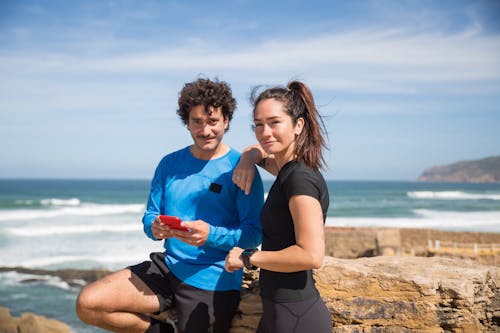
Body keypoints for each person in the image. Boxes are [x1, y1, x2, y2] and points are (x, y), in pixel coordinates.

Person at [76, 78, 264, 333]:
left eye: (212, 122)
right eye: (196, 121)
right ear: (186, 122)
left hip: (213, 278)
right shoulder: (168, 164)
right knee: (88, 303)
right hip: (167, 267)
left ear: (226, 121)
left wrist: (211, 236)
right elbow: (150, 216)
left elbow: (253, 234)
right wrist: (154, 227)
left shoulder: (240, 168)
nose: (205, 130)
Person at [225, 80, 332, 332]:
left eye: (274, 123)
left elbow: (311, 255)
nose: (265, 132)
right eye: (258, 124)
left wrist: (248, 257)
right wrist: (248, 159)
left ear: (298, 125)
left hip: (297, 317)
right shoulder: (287, 170)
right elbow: (257, 151)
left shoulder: (299, 179)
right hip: (279, 312)